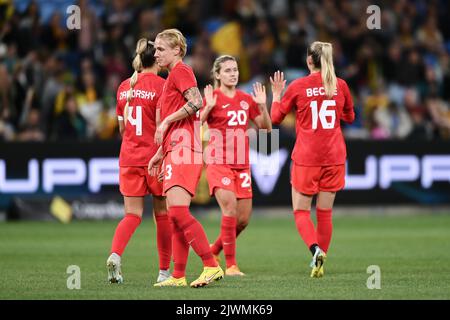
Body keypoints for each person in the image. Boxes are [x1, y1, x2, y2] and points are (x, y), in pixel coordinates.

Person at [270, 41, 354, 278]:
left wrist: (276, 95)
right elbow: (350, 116)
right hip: (335, 156)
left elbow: (275, 118)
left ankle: (315, 250)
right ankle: (321, 260)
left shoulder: (299, 86)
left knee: (301, 211)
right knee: (325, 213)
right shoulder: (341, 85)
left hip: (308, 156)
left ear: (309, 61)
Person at [148, 29, 224, 288]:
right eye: (155, 49)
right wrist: (161, 153)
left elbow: (197, 101)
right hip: (174, 149)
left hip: (185, 149)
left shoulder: (181, 71)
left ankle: (211, 265)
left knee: (179, 212)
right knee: (174, 216)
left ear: (177, 51)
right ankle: (178, 276)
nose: (155, 53)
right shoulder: (172, 77)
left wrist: (166, 121)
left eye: (160, 49)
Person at [107, 38, 172, 285]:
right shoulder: (162, 86)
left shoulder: (124, 86)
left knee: (132, 215)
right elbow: (163, 126)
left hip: (129, 157)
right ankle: (164, 272)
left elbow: (122, 129)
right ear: (156, 58)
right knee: (162, 215)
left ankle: (115, 254)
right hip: (154, 157)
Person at [200, 55, 271, 276]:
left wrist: (263, 106)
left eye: (235, 69)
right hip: (218, 160)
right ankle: (230, 266)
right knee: (229, 209)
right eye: (228, 70)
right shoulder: (212, 97)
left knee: (242, 220)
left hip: (241, 164)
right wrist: (207, 108)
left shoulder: (245, 99)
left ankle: (213, 250)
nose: (233, 73)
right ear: (218, 74)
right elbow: (195, 125)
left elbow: (267, 129)